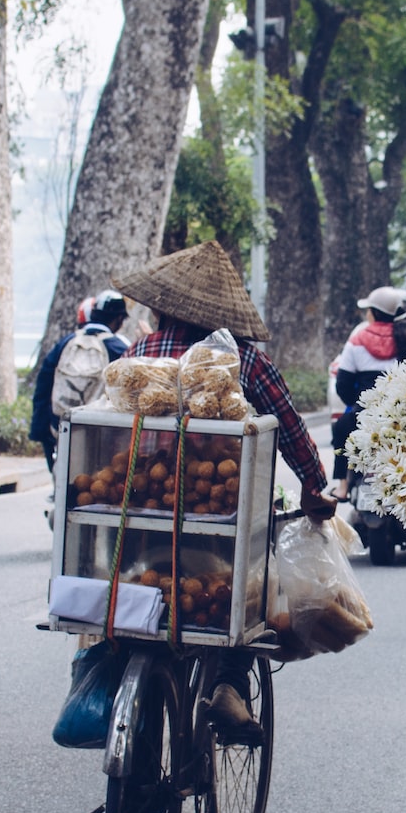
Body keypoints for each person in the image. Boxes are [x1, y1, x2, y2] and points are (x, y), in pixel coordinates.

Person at [112, 240, 336, 737]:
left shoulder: (139, 354)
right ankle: (232, 686)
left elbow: (102, 424)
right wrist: (315, 488)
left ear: (161, 306)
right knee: (254, 587)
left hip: (138, 512)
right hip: (219, 517)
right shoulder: (245, 362)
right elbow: (292, 429)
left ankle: (112, 667)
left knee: (127, 591)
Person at [331, 286, 406, 500]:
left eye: (368, 311)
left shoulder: (357, 340)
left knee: (341, 428)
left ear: (373, 313)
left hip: (365, 415)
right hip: (402, 416)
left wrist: (356, 404)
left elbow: (343, 385)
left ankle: (343, 486)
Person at [29, 290, 131, 467]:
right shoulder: (119, 348)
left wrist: (40, 430)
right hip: (100, 434)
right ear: (119, 320)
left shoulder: (65, 343)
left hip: (60, 429)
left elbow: (43, 385)